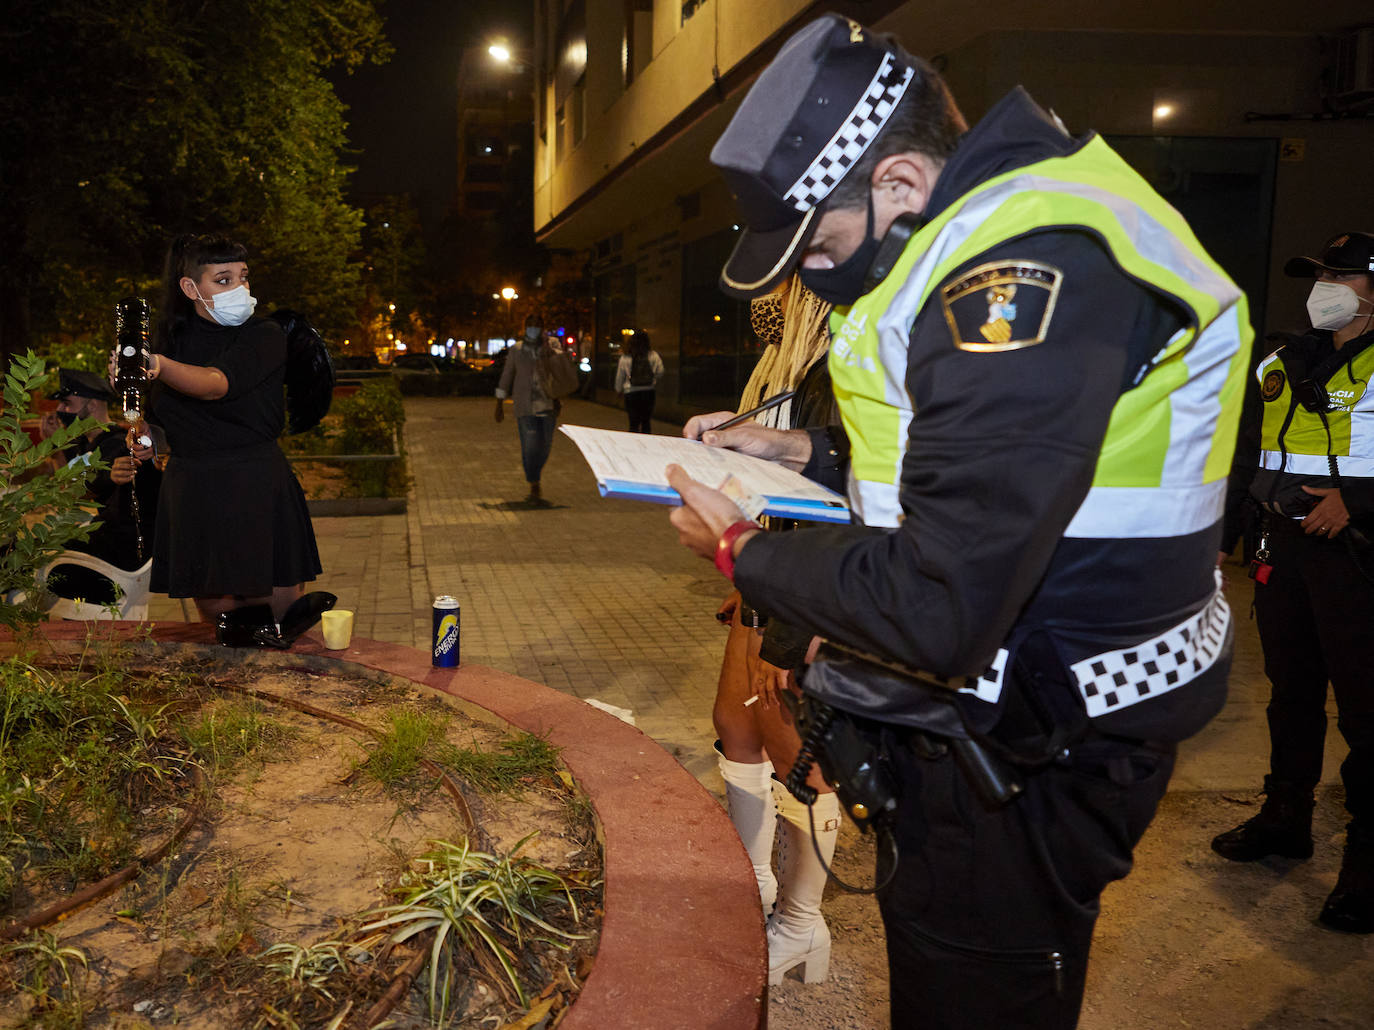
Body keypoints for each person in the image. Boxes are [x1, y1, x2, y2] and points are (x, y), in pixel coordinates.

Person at [663, 15, 1251, 1028]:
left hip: (1029, 747)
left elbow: (939, 601)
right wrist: (796, 452)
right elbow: (975, 461)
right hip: (1010, 715)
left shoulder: (1024, 272)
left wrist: (741, 551)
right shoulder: (997, 226)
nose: (816, 277)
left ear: (896, 182)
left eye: (824, 247)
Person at [1212, 231, 1374, 934]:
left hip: (1359, 555)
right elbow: (1248, 448)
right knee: (1292, 690)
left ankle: (1367, 867)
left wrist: (1361, 502)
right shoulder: (1283, 355)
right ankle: (1286, 817)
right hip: (1284, 544)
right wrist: (1221, 537)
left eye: (1342, 275)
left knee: (1366, 713)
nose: (1326, 285)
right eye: (1319, 274)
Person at [711, 276, 844, 985]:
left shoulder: (839, 352)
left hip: (807, 583)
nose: (771, 290)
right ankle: (754, 888)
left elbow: (834, 506)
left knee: (797, 748)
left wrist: (789, 633)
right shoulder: (788, 348)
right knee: (734, 721)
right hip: (772, 565)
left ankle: (801, 923)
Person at [142, 233, 321, 624]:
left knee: (281, 613)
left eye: (243, 276)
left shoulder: (264, 334)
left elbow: (215, 384)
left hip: (253, 479)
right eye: (223, 279)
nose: (239, 288)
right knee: (222, 623)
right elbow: (160, 421)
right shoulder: (168, 342)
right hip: (194, 487)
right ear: (190, 287)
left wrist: (158, 365)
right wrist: (147, 439)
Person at [37, 369, 161, 602]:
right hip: (104, 543)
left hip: (118, 562)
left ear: (92, 406)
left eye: (66, 404)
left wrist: (56, 446)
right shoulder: (85, 443)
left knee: (28, 557)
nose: (60, 411)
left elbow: (74, 491)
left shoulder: (116, 446)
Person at [495, 315, 565, 504]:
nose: (533, 328)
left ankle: (535, 473)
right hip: (524, 405)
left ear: (543, 327)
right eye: (530, 325)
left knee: (545, 446)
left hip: (548, 403)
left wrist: (548, 349)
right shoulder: (517, 349)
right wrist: (499, 403)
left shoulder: (552, 344)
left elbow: (560, 368)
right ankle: (534, 482)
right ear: (525, 327)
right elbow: (507, 374)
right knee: (530, 445)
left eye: (537, 325)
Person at [613, 329, 664, 433]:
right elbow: (661, 371)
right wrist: (652, 379)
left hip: (631, 393)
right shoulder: (653, 355)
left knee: (633, 423)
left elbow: (620, 376)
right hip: (648, 392)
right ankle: (646, 444)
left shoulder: (626, 357)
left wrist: (618, 390)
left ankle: (635, 445)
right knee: (646, 422)